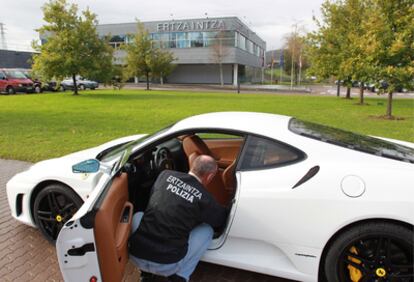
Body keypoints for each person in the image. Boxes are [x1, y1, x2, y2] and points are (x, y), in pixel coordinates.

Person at [129, 155, 228, 282]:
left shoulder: (165, 175)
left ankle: (146, 274)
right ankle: (181, 277)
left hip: (136, 256)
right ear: (210, 176)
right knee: (207, 230)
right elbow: (219, 221)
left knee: (138, 215)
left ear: (192, 165)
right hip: (167, 265)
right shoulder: (205, 198)